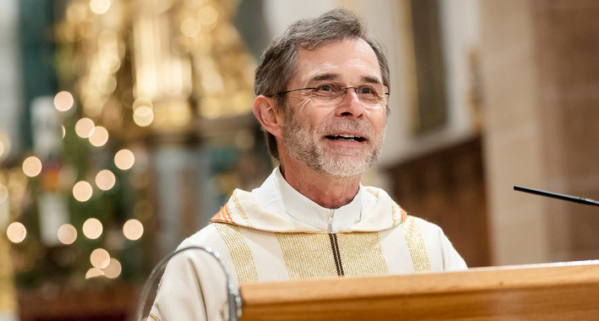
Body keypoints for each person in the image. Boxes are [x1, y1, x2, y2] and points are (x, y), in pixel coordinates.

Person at [147, 8, 467, 321]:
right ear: (272, 115)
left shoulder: (427, 249)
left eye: (368, 91)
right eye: (326, 88)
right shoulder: (207, 262)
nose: (353, 108)